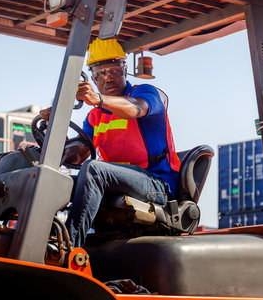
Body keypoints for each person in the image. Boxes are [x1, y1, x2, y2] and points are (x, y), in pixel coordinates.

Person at [40, 37, 181, 248]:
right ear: (93, 80)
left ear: (125, 70)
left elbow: (136, 108)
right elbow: (76, 155)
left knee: (95, 170)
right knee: (51, 177)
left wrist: (99, 100)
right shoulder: (95, 116)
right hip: (117, 184)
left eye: (114, 71)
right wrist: (55, 125)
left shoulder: (145, 93)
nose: (108, 78)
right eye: (100, 74)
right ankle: (40, 238)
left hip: (156, 184)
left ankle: (68, 248)